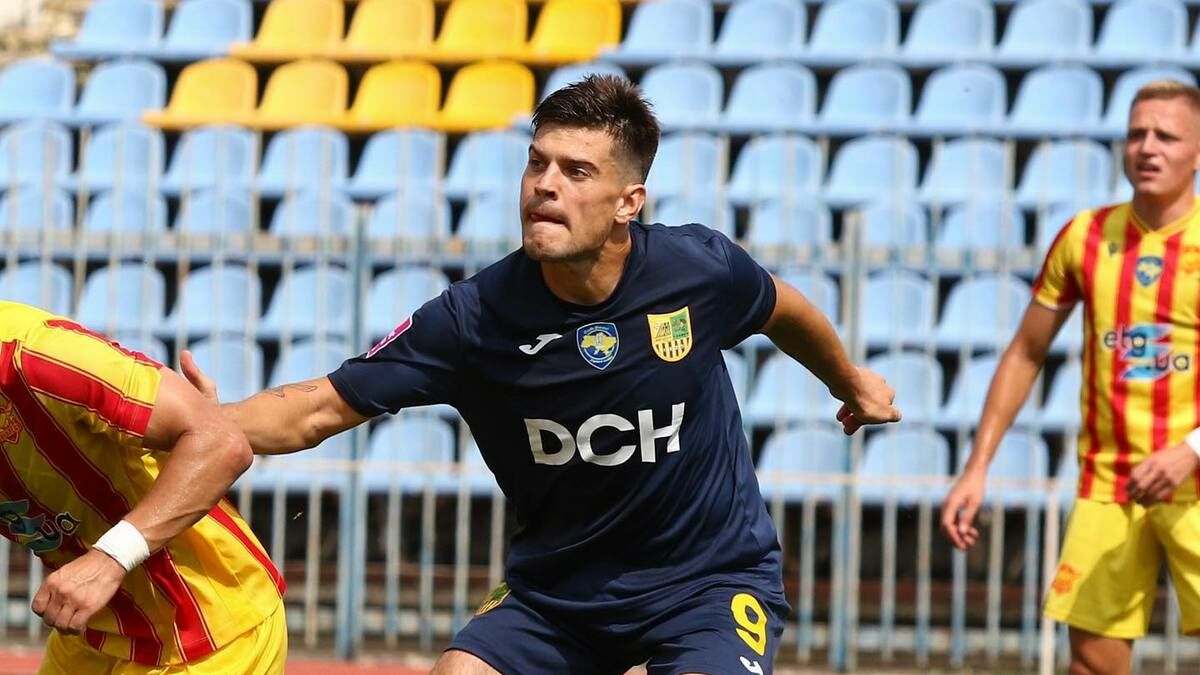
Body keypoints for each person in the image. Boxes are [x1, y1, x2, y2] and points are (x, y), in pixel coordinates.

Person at [182, 75, 900, 675]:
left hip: (707, 585)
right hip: (558, 594)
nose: (545, 186)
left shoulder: (697, 270)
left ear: (629, 202)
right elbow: (318, 407)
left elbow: (781, 307)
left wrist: (849, 382)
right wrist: (199, 423)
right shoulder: (474, 318)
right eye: (537, 164)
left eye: (576, 171)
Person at [942, 79, 1200, 675]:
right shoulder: (1085, 236)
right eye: (1136, 134)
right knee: (1093, 666)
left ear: (1196, 152)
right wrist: (977, 467)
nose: (1148, 147)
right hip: (1109, 485)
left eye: (1166, 136)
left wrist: (1191, 449)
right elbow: (1026, 352)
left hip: (1197, 479)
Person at [0, 301, 286, 674]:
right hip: (95, 630)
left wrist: (110, 557)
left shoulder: (38, 353)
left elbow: (221, 442)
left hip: (206, 622)